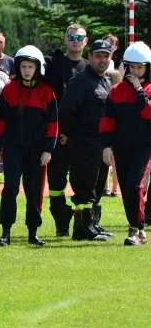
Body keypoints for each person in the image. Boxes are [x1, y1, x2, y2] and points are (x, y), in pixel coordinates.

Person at [0, 46, 58, 246]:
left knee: (34, 190)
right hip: (13, 147)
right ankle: (5, 231)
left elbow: (53, 123)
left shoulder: (47, 92)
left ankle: (33, 232)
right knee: (10, 188)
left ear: (37, 68)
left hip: (37, 150)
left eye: (30, 66)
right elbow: (0, 119)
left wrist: (48, 149)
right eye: (23, 66)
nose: (26, 70)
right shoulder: (9, 89)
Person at [60, 38, 114, 241]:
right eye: (98, 56)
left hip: (101, 144)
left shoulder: (106, 81)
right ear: (90, 57)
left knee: (98, 186)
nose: (102, 60)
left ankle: (93, 224)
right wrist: (67, 135)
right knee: (84, 187)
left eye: (106, 56)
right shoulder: (80, 81)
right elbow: (66, 109)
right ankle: (81, 229)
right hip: (83, 143)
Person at [99, 41, 151, 246]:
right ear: (126, 66)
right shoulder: (117, 90)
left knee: (136, 184)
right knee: (127, 189)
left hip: (145, 146)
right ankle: (136, 227)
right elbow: (107, 121)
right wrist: (106, 145)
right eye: (132, 67)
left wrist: (139, 91)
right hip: (121, 146)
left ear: (147, 67)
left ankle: (137, 230)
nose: (136, 71)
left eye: (140, 67)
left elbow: (148, 112)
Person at [44, 23, 89, 236]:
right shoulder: (53, 65)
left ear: (85, 42)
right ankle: (61, 222)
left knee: (83, 182)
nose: (75, 41)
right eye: (71, 36)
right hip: (56, 135)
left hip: (82, 136)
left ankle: (84, 226)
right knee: (56, 182)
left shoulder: (90, 68)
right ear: (65, 39)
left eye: (79, 38)